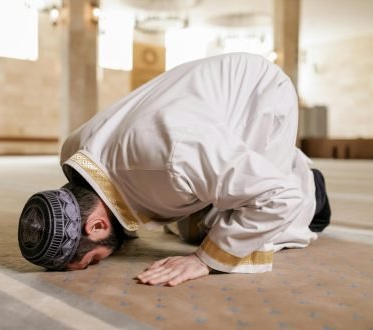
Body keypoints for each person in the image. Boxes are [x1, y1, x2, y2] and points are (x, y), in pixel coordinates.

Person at [18, 53, 331, 286]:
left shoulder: (173, 160)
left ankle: (310, 185)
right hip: (203, 103)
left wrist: (203, 260)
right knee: (184, 221)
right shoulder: (73, 151)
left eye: (92, 260)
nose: (98, 262)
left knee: (231, 231)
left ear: (97, 227)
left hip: (258, 95)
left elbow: (279, 197)